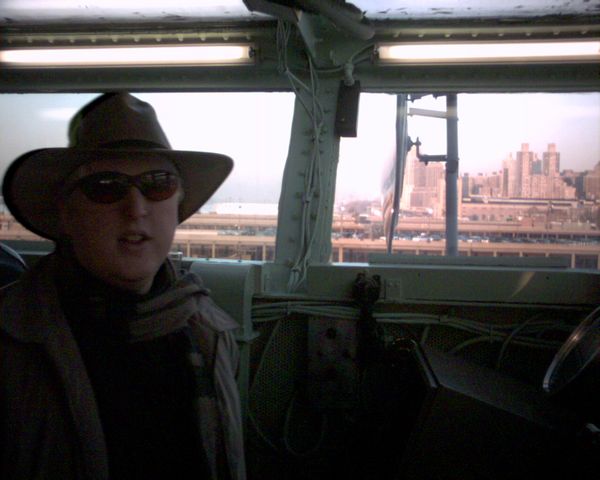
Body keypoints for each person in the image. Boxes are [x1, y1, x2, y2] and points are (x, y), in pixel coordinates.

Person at [0, 92, 246, 480]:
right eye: (105, 186)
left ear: (178, 206)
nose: (136, 208)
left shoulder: (212, 334)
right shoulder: (12, 343)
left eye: (158, 184)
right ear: (66, 214)